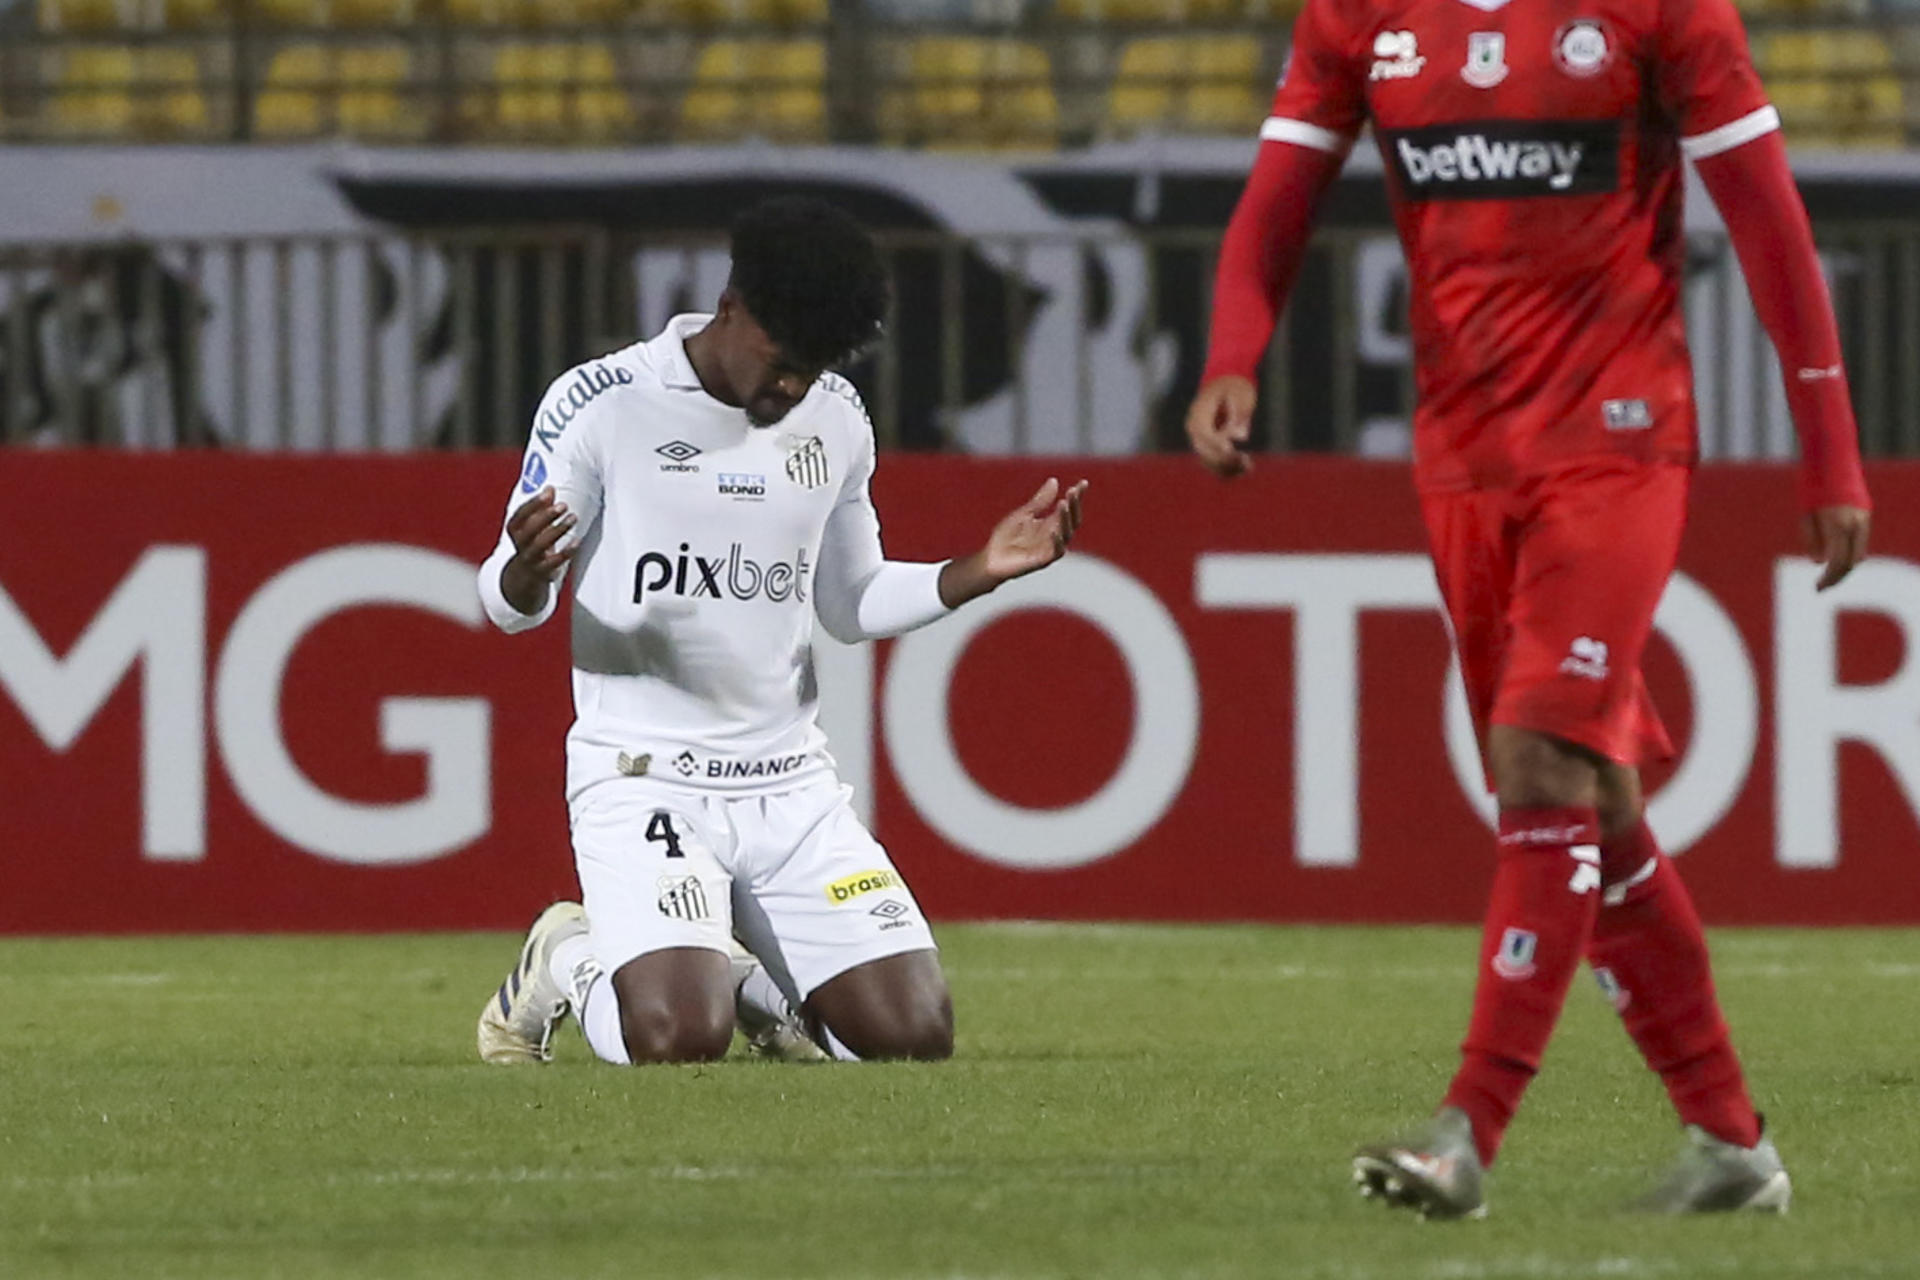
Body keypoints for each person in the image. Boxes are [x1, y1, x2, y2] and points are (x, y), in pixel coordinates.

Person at [1187, 0, 1870, 1219]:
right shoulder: (1362, 15)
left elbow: (1769, 226)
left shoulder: (1660, 11)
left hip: (1618, 445)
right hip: (1463, 459)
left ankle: (1470, 1128)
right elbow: (1276, 202)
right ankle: (1728, 1136)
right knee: (1588, 799)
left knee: (1539, 756)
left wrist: (1831, 455)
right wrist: (1235, 351)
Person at [475, 197, 1086, 1068]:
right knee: (677, 1037)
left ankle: (754, 984)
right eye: (784, 360)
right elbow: (504, 604)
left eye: (817, 365)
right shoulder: (602, 404)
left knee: (912, 1040)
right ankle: (568, 957)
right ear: (731, 310)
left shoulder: (835, 419)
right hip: (645, 781)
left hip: (790, 787)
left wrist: (974, 570)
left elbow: (850, 601)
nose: (795, 385)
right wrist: (529, 570)